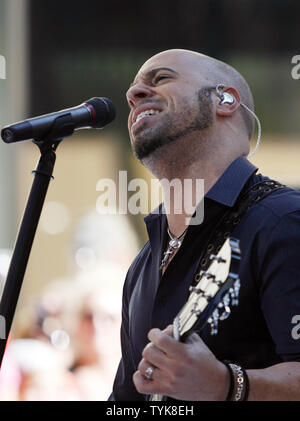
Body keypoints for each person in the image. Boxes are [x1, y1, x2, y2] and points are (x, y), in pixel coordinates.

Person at [109, 49, 300, 401]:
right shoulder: (142, 264)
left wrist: (228, 385)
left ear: (225, 100)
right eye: (134, 88)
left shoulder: (283, 222)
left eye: (161, 78)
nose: (133, 94)